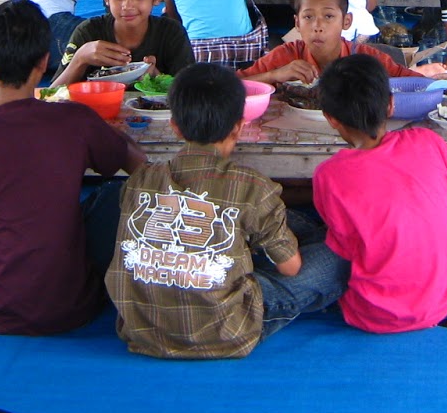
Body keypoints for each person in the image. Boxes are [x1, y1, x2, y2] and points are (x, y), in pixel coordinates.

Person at [0, 0, 146, 336]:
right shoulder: (75, 119)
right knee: (114, 195)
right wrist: (115, 136)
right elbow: (136, 167)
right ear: (44, 62)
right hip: (74, 306)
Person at [106, 62, 347, 357]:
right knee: (341, 254)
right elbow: (292, 268)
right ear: (238, 125)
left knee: (265, 218)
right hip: (225, 329)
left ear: (175, 127)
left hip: (143, 329)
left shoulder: (139, 180)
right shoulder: (252, 187)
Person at [313, 55, 447, 333]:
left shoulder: (328, 175)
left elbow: (346, 250)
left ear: (331, 119)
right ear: (391, 105)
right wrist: (418, 214)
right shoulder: (428, 141)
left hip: (371, 315)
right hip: (441, 303)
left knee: (304, 242)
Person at [240, 0, 416, 84]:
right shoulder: (286, 56)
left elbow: (417, 84)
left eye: (329, 16)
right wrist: (273, 75)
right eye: (308, 17)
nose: (317, 26)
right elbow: (230, 86)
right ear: (297, 23)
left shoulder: (366, 59)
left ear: (346, 21)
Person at [49, 0, 193, 88]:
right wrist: (80, 59)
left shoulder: (171, 33)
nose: (127, 5)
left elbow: (190, 96)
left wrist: (157, 78)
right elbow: (50, 96)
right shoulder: (88, 32)